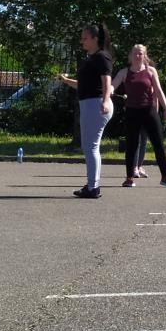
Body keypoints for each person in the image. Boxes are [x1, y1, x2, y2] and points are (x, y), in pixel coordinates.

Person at [59, 23, 114, 199]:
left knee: (91, 146)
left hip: (96, 104)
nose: (81, 41)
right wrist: (67, 81)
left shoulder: (101, 57)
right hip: (90, 103)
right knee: (89, 146)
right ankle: (92, 184)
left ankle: (93, 187)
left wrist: (105, 101)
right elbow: (85, 85)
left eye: (85, 38)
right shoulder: (92, 58)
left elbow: (107, 82)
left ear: (95, 39)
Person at [111, 44, 166, 188]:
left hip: (149, 111)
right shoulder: (124, 72)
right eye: (135, 53)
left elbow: (159, 91)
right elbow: (113, 85)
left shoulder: (151, 71)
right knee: (131, 145)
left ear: (145, 56)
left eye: (140, 53)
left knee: (158, 144)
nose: (137, 56)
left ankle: (165, 176)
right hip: (132, 112)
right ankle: (129, 178)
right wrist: (108, 90)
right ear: (130, 56)